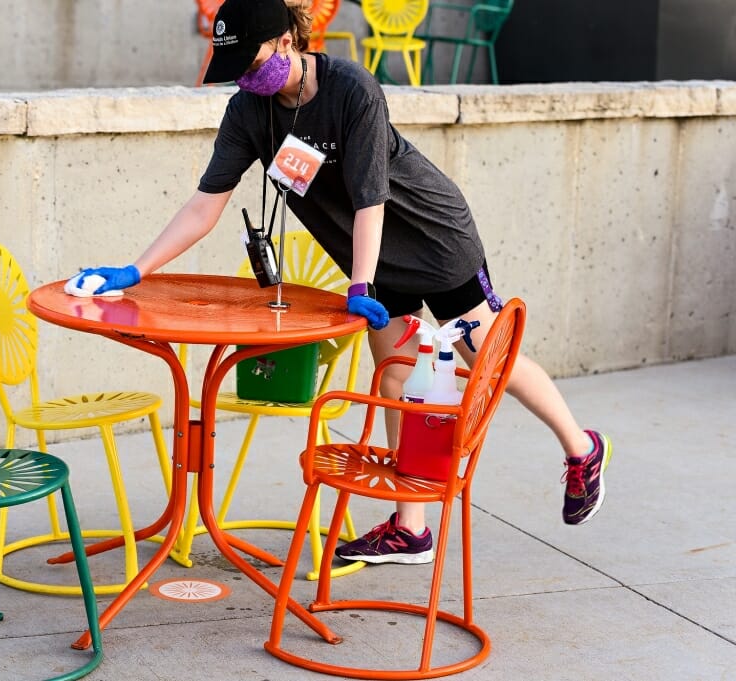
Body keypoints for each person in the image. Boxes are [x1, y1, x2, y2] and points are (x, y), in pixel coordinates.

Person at [77, 0, 613, 565]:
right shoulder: (248, 113)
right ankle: (412, 528)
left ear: (285, 41)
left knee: (484, 356)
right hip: (372, 260)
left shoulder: (352, 89)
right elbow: (205, 205)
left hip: (432, 240)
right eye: (231, 62)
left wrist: (359, 287)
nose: (242, 74)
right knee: (397, 376)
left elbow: (369, 200)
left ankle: (582, 447)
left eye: (248, 57)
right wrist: (138, 269)